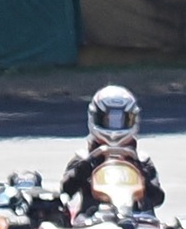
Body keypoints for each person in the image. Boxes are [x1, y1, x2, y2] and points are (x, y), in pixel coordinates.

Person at [58, 85, 165, 219]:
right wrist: (86, 167)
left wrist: (140, 171)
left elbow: (157, 198)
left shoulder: (142, 160)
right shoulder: (83, 158)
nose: (115, 126)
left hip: (137, 221)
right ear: (95, 118)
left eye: (122, 120)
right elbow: (66, 190)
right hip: (92, 221)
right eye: (108, 120)